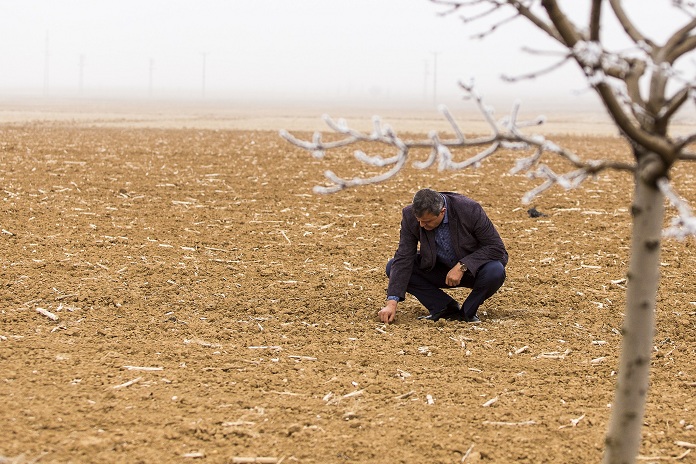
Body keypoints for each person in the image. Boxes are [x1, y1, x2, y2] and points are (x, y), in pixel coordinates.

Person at [378, 188, 508, 324]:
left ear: (442, 212)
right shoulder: (410, 216)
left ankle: (467, 313)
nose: (422, 225)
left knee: (495, 270)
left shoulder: (469, 209)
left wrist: (463, 266)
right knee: (392, 266)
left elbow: (496, 247)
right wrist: (391, 303)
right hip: (438, 269)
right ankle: (444, 308)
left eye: (427, 221)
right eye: (419, 221)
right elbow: (403, 257)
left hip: (474, 271)